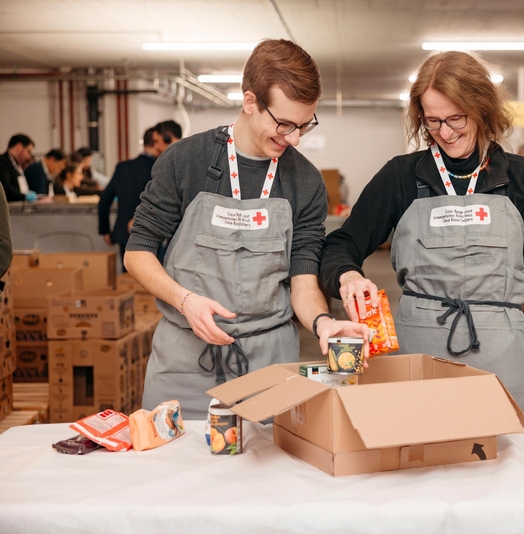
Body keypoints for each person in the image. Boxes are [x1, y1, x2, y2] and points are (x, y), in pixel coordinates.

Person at [321, 51, 524, 417]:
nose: (445, 132)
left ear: (481, 109)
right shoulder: (401, 176)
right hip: (419, 354)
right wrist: (347, 276)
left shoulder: (522, 178)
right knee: (420, 455)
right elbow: (341, 245)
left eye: (456, 118)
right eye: (433, 121)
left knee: (505, 460)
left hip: (502, 353)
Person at [125, 39, 370, 419]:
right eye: (284, 124)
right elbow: (137, 251)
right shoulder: (185, 161)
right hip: (186, 360)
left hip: (268, 366)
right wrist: (185, 301)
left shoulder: (304, 180)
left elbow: (303, 278)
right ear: (250, 102)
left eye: (304, 125)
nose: (294, 139)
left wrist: (323, 323)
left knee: (269, 472)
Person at [98, 127, 160, 268]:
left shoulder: (123, 167)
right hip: (152, 234)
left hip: (123, 233)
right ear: (157, 143)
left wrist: (105, 230)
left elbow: (104, 200)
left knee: (128, 280)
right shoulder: (159, 168)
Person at [0, 134, 38, 202]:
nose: (28, 157)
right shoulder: (2, 162)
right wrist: (23, 196)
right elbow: (4, 186)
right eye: (28, 151)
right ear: (19, 147)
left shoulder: (16, 164)